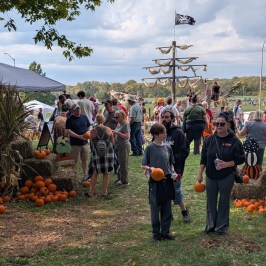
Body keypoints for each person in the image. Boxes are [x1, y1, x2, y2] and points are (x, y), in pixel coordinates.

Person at [197, 112, 245, 235]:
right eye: (216, 123)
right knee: (210, 201)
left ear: (227, 124)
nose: (218, 126)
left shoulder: (234, 140)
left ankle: (222, 227)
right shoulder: (209, 140)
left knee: (224, 201)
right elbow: (203, 158)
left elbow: (241, 158)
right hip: (210, 176)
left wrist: (228, 164)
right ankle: (210, 225)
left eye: (221, 124)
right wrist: (200, 173)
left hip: (226, 176)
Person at [142, 123, 176, 241]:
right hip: (155, 182)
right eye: (164, 133)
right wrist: (150, 169)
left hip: (167, 181)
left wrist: (173, 173)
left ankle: (165, 232)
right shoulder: (150, 148)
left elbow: (171, 164)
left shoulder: (168, 147)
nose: (166, 134)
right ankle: (156, 234)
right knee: (155, 208)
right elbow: (144, 165)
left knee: (167, 207)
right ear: (156, 135)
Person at [161, 110, 191, 223]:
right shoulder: (159, 132)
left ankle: (185, 212)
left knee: (176, 191)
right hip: (161, 168)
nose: (165, 119)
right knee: (164, 191)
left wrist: (172, 159)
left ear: (172, 118)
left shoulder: (178, 133)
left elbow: (185, 151)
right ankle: (168, 213)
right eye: (163, 117)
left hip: (176, 168)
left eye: (167, 117)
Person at [86, 114, 115, 197]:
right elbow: (112, 142)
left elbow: (91, 144)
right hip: (107, 152)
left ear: (96, 120)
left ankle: (91, 192)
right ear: (104, 120)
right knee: (106, 172)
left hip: (97, 153)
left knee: (95, 171)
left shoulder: (92, 131)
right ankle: (104, 192)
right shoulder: (109, 130)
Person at [66, 103, 91, 180]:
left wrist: (89, 131)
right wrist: (79, 136)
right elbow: (68, 131)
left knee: (85, 159)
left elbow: (89, 125)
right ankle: (74, 176)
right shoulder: (69, 119)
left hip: (84, 143)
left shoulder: (84, 117)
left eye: (79, 109)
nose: (78, 111)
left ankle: (85, 175)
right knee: (74, 161)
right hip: (75, 144)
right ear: (73, 111)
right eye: (76, 110)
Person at [112, 110, 131, 185]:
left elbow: (127, 137)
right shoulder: (119, 124)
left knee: (123, 163)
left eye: (117, 117)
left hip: (124, 146)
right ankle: (120, 179)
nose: (115, 119)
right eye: (114, 117)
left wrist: (117, 133)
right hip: (118, 146)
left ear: (122, 116)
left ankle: (124, 181)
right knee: (119, 163)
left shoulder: (125, 124)